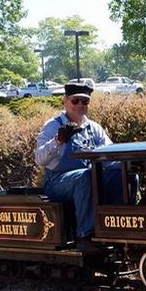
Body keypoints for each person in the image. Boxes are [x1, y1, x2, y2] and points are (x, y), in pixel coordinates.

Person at [35, 82, 122, 241]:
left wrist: (128, 166)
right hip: (56, 182)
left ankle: (117, 226)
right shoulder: (52, 126)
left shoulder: (94, 128)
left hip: (90, 177)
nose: (80, 105)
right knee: (85, 177)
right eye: (76, 101)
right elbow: (39, 159)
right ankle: (86, 234)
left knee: (120, 175)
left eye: (85, 101)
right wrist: (58, 140)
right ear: (65, 100)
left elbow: (110, 155)